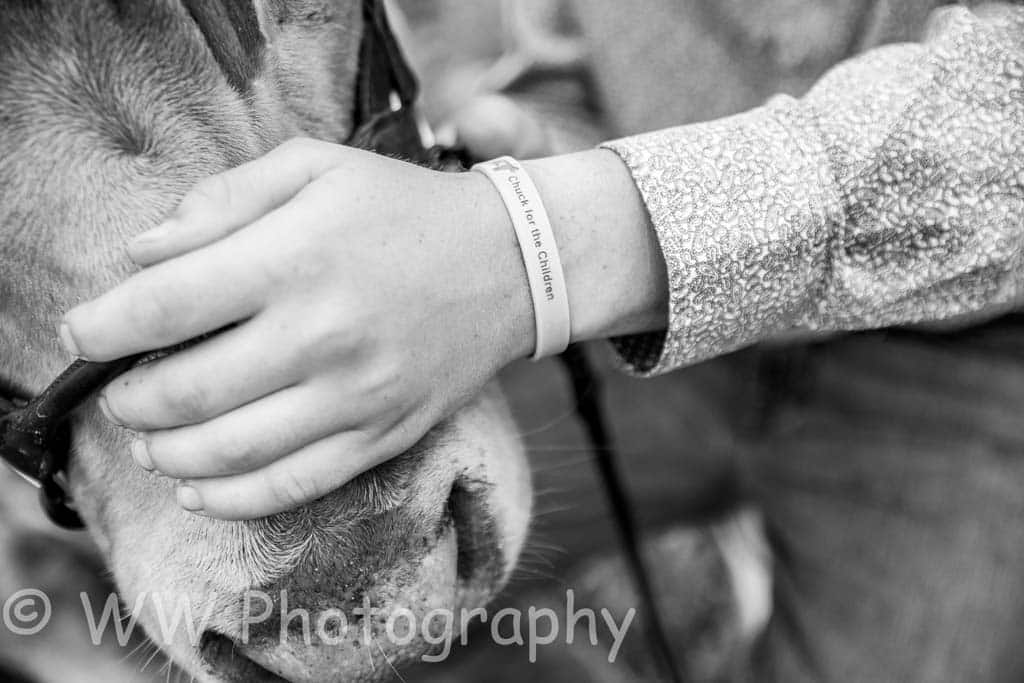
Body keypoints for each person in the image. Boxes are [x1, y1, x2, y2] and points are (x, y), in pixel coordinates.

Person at [56, 1, 1023, 521]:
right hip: (640, 323)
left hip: (969, 349)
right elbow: (575, 36)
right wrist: (550, 128)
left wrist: (534, 249)